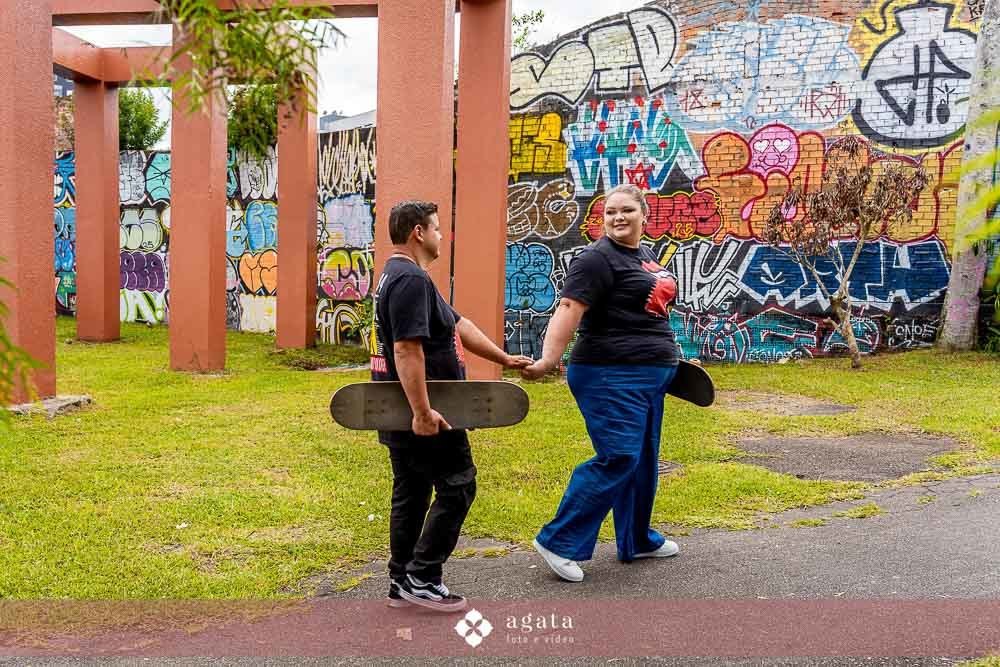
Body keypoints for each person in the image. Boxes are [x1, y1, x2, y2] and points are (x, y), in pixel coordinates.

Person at [371, 200, 532, 611]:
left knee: (412, 490)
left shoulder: (402, 276)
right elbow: (407, 350)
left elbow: (458, 324)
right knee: (458, 485)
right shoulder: (410, 281)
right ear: (418, 233)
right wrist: (423, 413)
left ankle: (402, 580)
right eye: (438, 228)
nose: (443, 236)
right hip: (430, 413)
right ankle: (423, 576)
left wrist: (503, 358)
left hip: (411, 410)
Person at [521, 183, 681, 583]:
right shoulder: (595, 259)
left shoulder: (642, 255)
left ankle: (637, 539)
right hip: (609, 375)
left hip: (648, 376)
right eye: (610, 212)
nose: (617, 218)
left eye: (626, 210)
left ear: (645, 215)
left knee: (643, 460)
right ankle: (558, 540)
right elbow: (569, 309)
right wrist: (548, 360)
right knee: (619, 457)